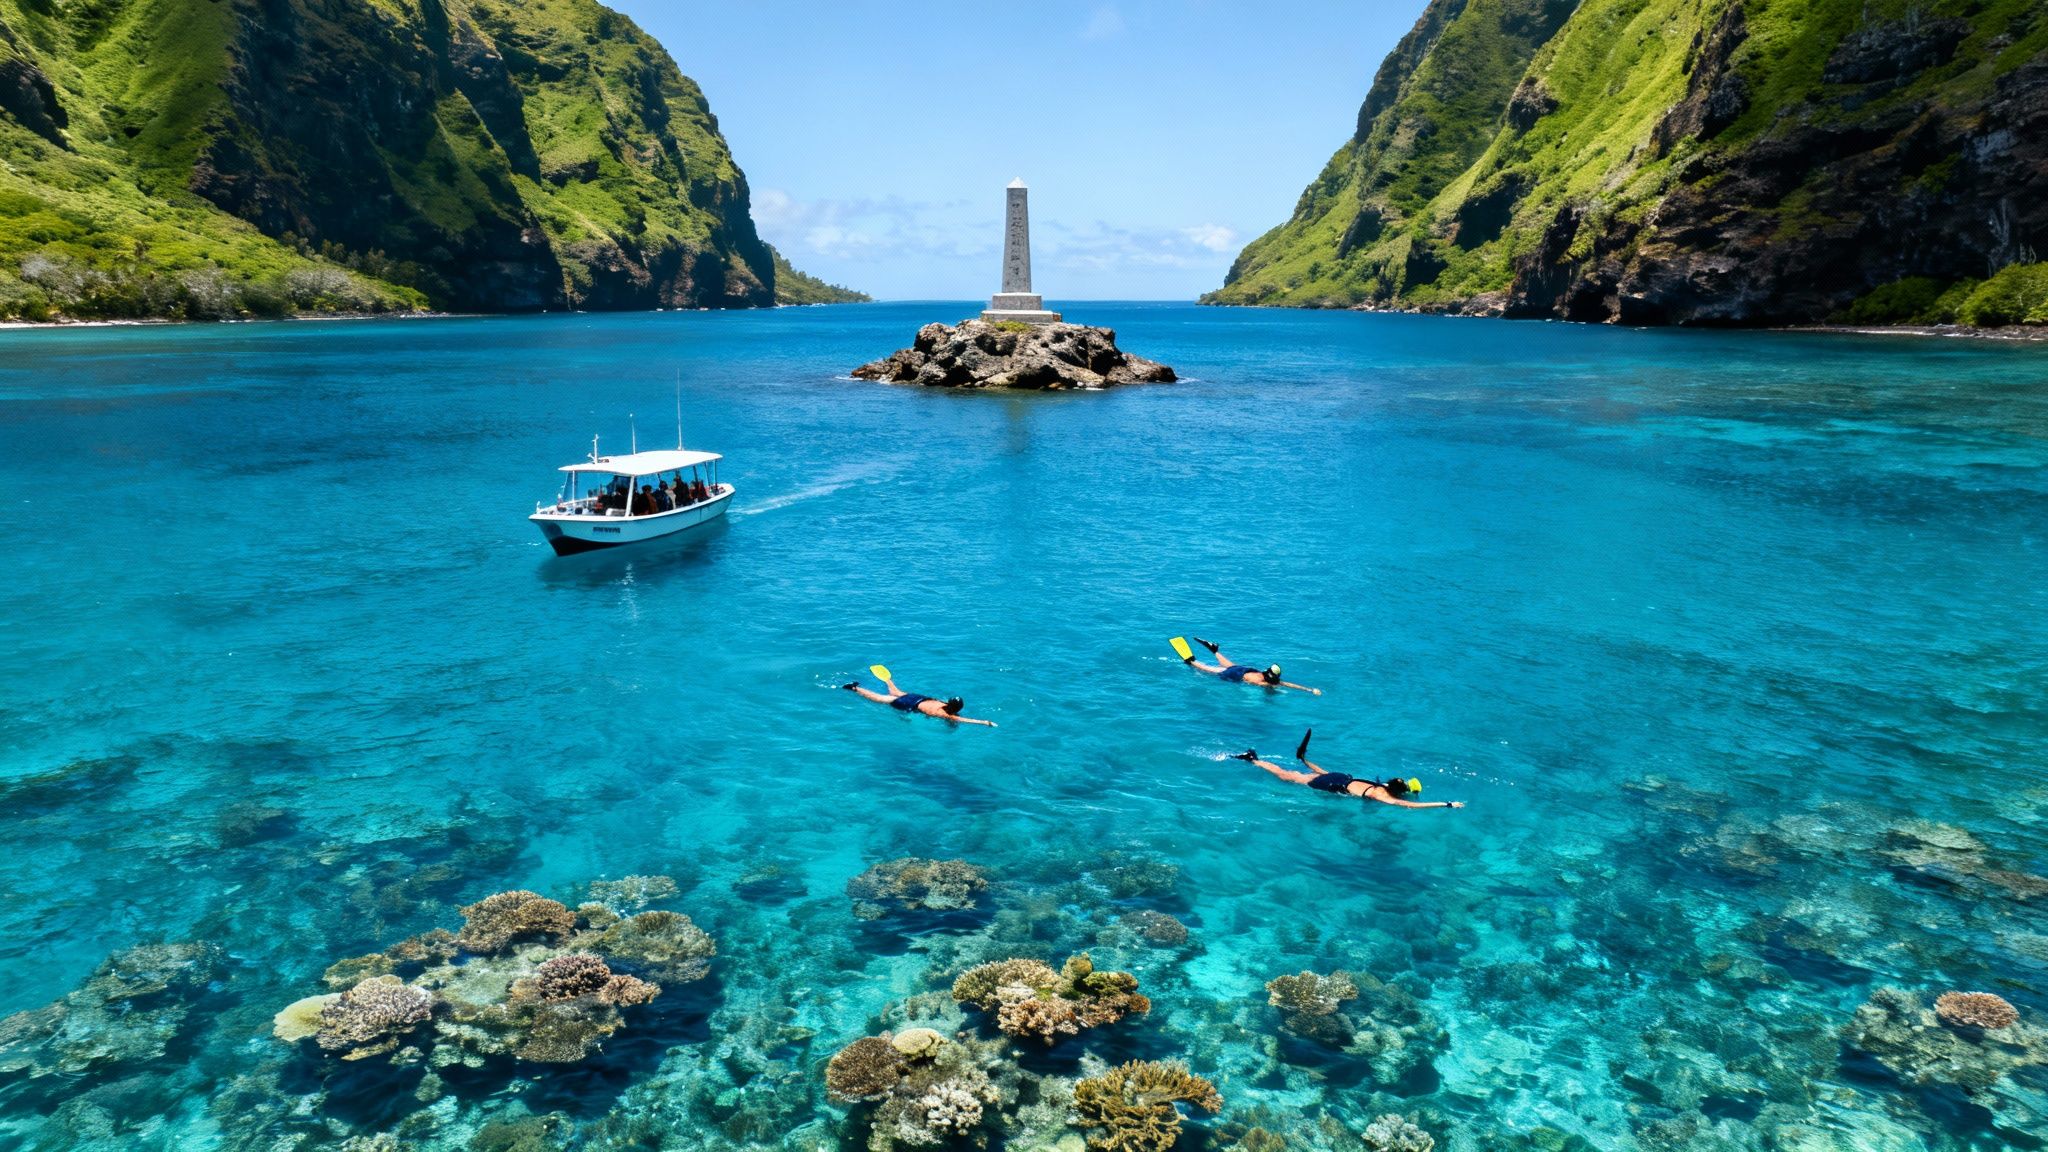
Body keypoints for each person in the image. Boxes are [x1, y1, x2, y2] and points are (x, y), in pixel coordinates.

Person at [1233, 729, 1463, 809]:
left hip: (1342, 777)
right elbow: (1410, 806)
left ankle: (1303, 759)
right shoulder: (1380, 794)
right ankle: (1253, 760)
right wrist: (1446, 804)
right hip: (1334, 784)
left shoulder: (1382, 784)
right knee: (1287, 777)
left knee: (1317, 772)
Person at [842, 671, 997, 727]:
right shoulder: (946, 715)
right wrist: (985, 722)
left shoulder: (943, 704)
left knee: (896, 691)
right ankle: (854, 688)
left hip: (920, 698)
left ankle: (887, 680)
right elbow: (965, 721)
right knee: (880, 699)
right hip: (910, 704)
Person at [1182, 637, 1321, 695]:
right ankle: (1192, 661)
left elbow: (1287, 684)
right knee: (1210, 670)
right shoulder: (1263, 683)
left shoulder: (1261, 675)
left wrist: (1309, 689)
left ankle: (1214, 650)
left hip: (1245, 670)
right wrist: (1308, 690)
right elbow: (1283, 685)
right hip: (1236, 675)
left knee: (1229, 664)